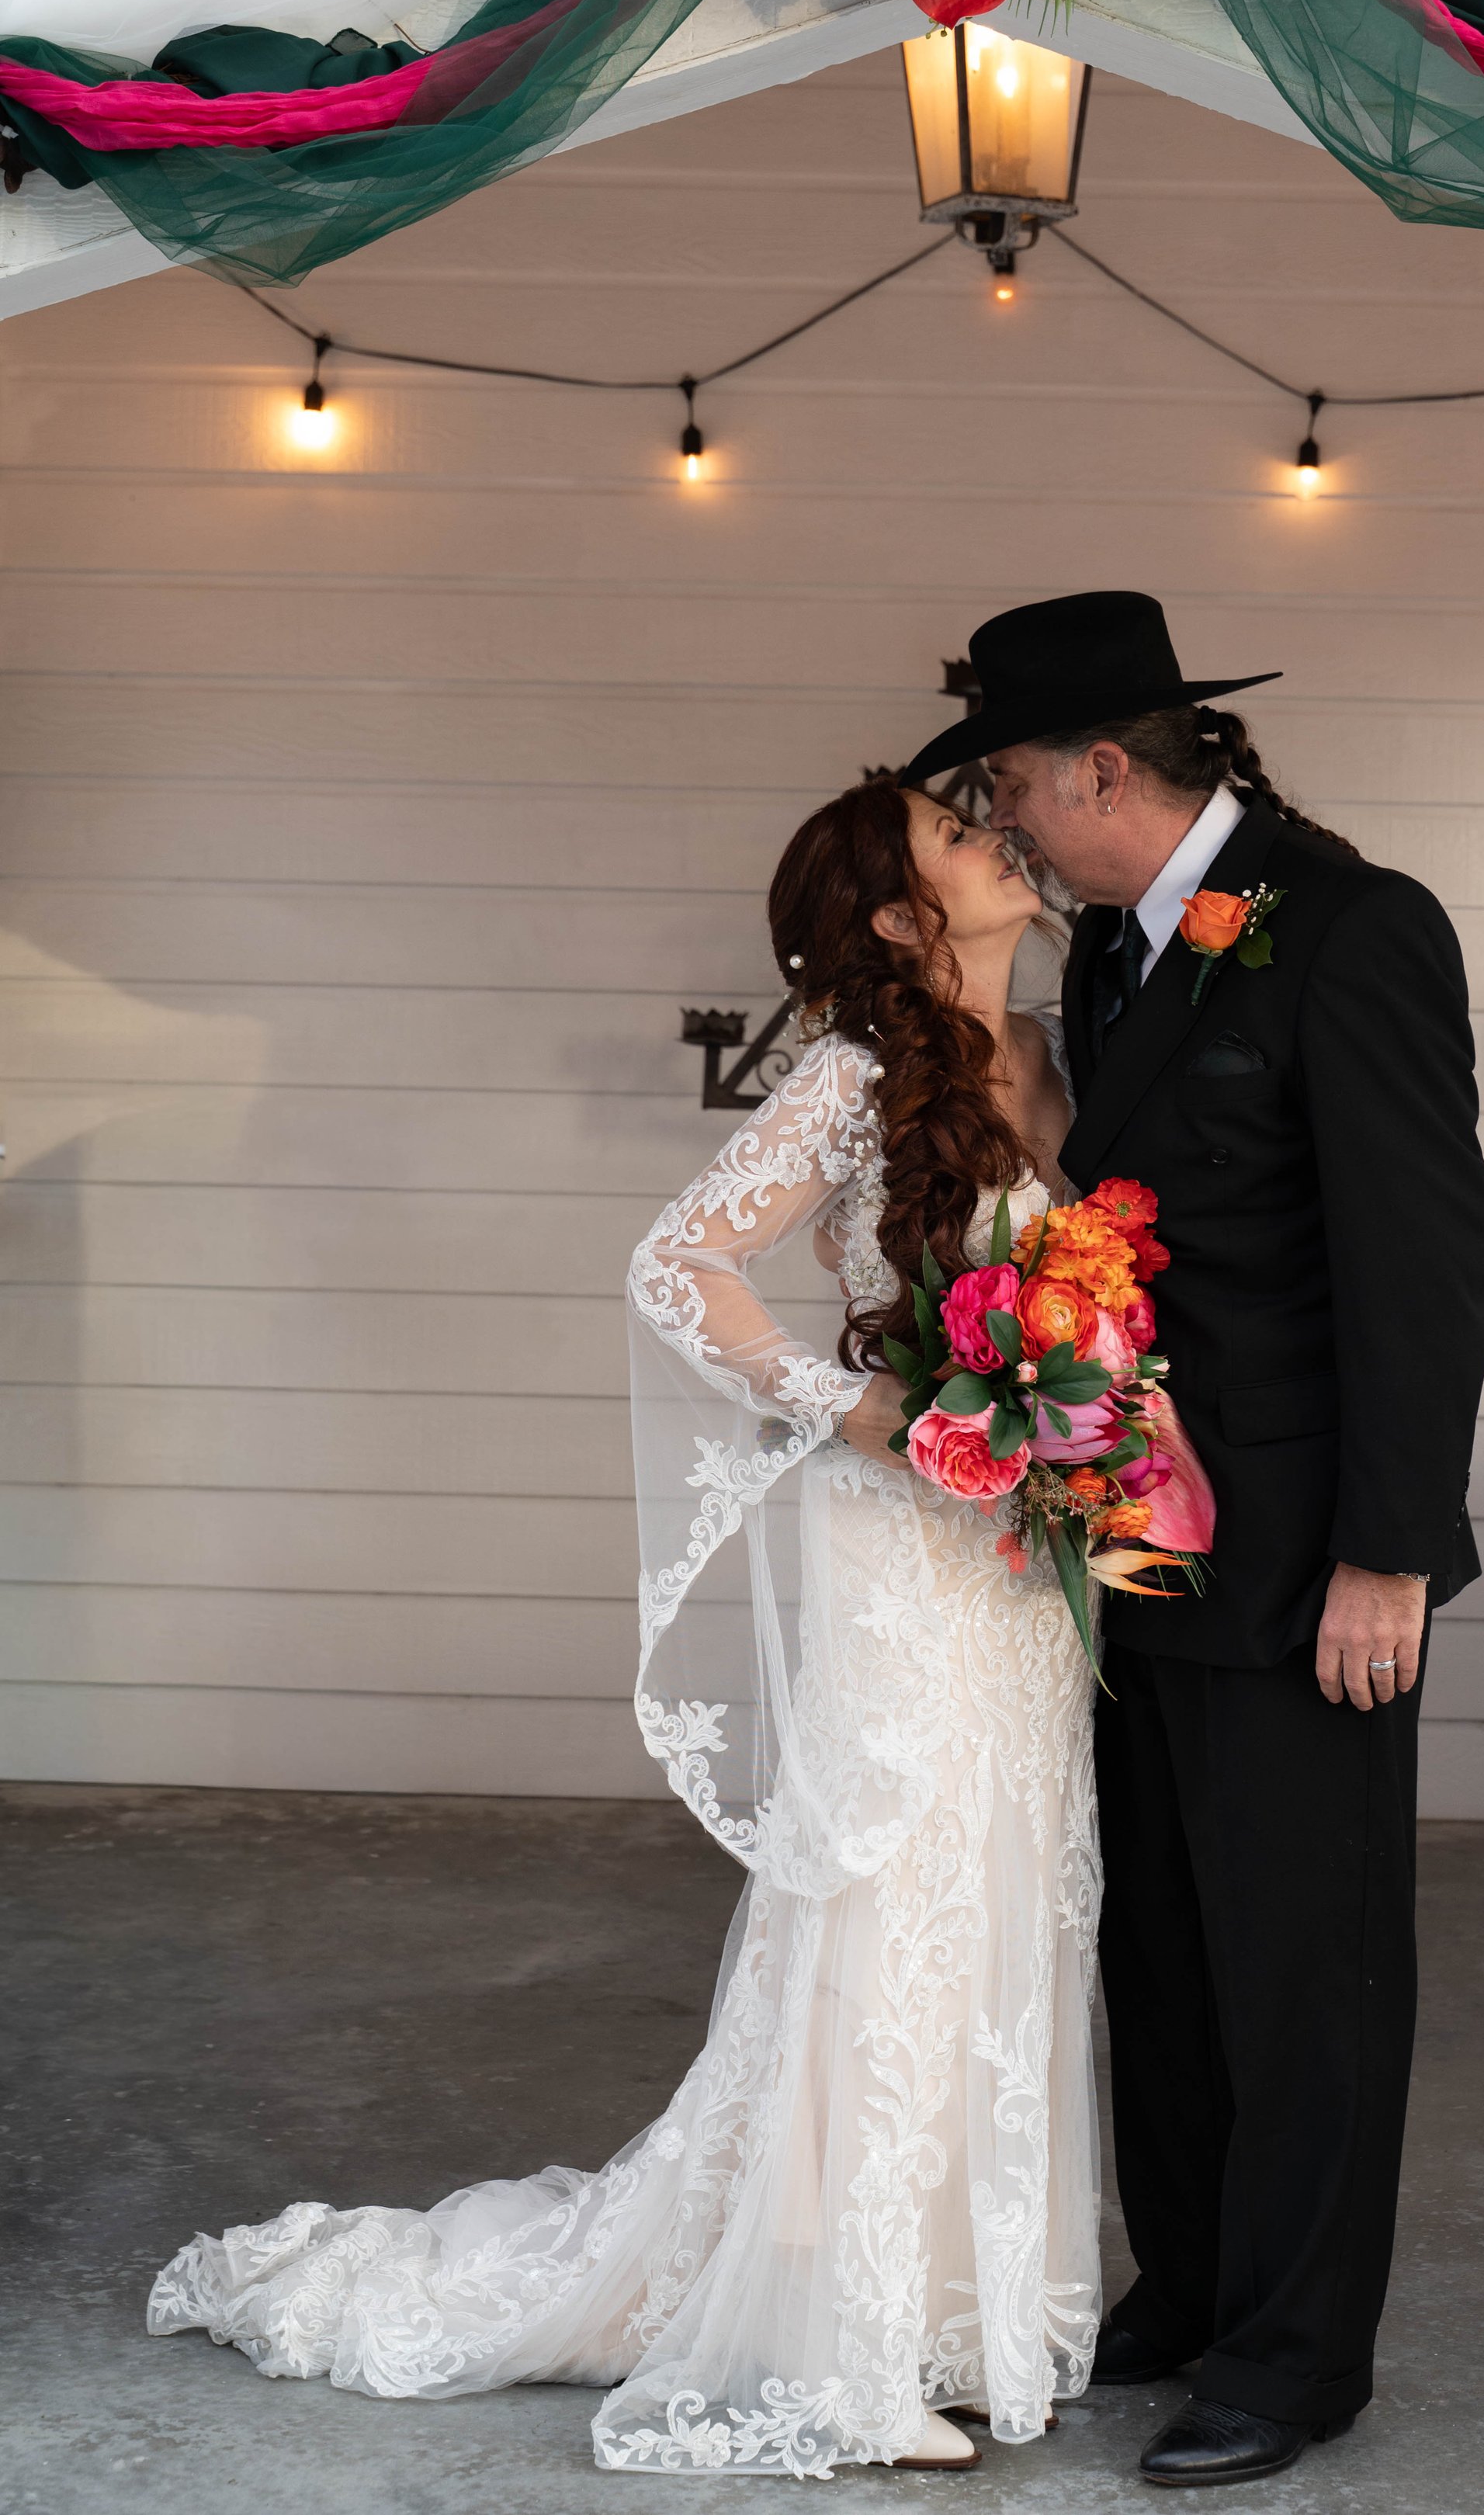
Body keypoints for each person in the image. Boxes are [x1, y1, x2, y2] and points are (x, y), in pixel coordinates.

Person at [147, 778, 1101, 2478]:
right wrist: (858, 1409)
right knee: (885, 1912)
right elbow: (677, 1264)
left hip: (1020, 1556)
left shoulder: (1045, 1052)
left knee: (998, 1897)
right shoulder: (854, 1074)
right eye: (956, 838)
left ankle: (954, 2305)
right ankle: (838, 2337)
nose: (994, 841)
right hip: (901, 1544)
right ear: (900, 919)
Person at [904, 588, 1484, 2489]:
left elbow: (1420, 1260)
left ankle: (1294, 2356)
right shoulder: (1117, 942)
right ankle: (1191, 2285)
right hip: (1133, 1536)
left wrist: (1389, 1554)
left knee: (1302, 1965)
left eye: (1008, 783)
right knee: (1157, 1945)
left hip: (1306, 1560)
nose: (1000, 823)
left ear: (1100, 769)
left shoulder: (1350, 924)